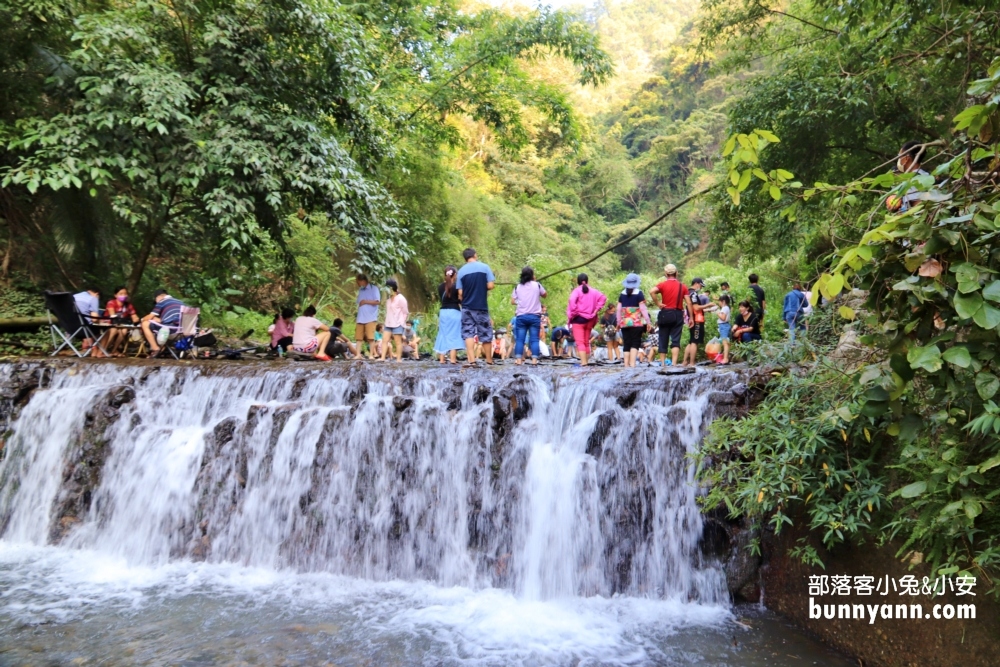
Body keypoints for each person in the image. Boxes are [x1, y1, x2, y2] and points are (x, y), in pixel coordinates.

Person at [456, 248, 496, 367]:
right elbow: (491, 285)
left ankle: (472, 360)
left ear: (465, 258)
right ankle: (489, 360)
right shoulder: (485, 267)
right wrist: (481, 288)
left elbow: (460, 293)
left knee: (468, 332)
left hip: (466, 307)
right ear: (475, 255)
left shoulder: (461, 271)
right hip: (481, 306)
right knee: (485, 333)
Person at [649, 263, 691, 367]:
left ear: (666, 274)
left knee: (663, 338)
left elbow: (652, 291)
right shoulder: (683, 287)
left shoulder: (662, 285)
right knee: (675, 339)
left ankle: (663, 364)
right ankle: (674, 363)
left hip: (665, 314)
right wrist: (691, 318)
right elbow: (689, 303)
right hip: (677, 314)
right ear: (676, 273)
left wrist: (658, 303)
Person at [566, 273, 607, 366]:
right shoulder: (594, 291)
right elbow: (603, 298)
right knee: (586, 341)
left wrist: (574, 311)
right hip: (590, 319)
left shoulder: (576, 291)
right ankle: (587, 362)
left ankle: (583, 363)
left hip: (578, 319)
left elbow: (572, 301)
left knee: (580, 342)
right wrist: (596, 310)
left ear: (578, 282)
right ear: (587, 281)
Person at [511, 265, 547, 366]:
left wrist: (521, 302)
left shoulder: (517, 286)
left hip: (521, 316)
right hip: (534, 316)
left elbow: (513, 301)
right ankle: (534, 361)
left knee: (520, 339)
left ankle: (518, 360)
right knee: (534, 339)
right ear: (532, 275)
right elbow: (545, 295)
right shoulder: (537, 285)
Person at [616, 273, 651, 368]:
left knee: (627, 343)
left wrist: (618, 322)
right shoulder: (639, 293)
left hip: (624, 323)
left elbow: (618, 309)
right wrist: (648, 322)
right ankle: (633, 364)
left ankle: (626, 365)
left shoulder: (622, 294)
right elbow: (643, 309)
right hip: (636, 323)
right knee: (635, 342)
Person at [887, 140, 931, 213]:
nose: (899, 159)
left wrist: (900, 216)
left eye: (900, 156)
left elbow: (919, 206)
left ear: (906, 159)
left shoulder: (913, 179)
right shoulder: (925, 175)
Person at [141, 289, 185, 357]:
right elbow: (168, 318)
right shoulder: (180, 302)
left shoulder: (162, 301)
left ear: (158, 297)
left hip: (170, 330)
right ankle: (162, 349)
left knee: (145, 324)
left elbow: (149, 317)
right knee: (160, 325)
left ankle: (155, 348)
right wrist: (158, 319)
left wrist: (142, 319)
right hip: (183, 331)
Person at [434, 266, 464, 364]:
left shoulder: (440, 287)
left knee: (443, 334)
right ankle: (452, 359)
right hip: (454, 312)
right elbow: (461, 300)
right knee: (454, 335)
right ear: (454, 275)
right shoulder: (456, 287)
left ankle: (442, 359)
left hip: (443, 313)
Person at [683, 277, 713, 367]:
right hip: (697, 320)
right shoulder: (693, 294)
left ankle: (684, 362)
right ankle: (692, 363)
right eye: (700, 285)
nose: (701, 287)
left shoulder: (688, 292)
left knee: (691, 341)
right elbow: (695, 307)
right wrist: (708, 305)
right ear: (696, 283)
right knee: (694, 342)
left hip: (692, 319)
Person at [102, 286, 139, 357]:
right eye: (121, 294)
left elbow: (134, 315)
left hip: (121, 325)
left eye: (125, 294)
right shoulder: (111, 303)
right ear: (115, 295)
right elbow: (112, 315)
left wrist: (135, 318)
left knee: (124, 330)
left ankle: (114, 350)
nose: (123, 296)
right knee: (114, 330)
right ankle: (104, 350)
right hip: (109, 324)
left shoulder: (128, 305)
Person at [354, 273, 381, 359]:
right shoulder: (361, 290)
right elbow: (359, 302)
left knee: (370, 337)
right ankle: (358, 354)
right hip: (361, 317)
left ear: (362, 281)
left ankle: (371, 355)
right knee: (359, 337)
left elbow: (377, 302)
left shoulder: (374, 289)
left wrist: (366, 301)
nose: (357, 283)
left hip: (370, 317)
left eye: (358, 281)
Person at [381, 278, 408, 362]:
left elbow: (405, 312)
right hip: (388, 323)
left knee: (397, 342)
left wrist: (401, 322)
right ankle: (382, 358)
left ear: (392, 288)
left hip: (398, 323)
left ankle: (398, 359)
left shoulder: (400, 298)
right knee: (384, 340)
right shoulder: (388, 299)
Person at [72, 287, 103, 355]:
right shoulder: (93, 298)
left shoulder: (73, 297)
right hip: (85, 329)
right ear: (97, 294)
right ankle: (98, 353)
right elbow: (94, 319)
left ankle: (90, 349)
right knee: (106, 331)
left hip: (70, 329)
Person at [716, 294, 732, 364]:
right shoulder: (727, 308)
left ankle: (725, 359)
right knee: (726, 342)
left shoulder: (724, 308)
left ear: (723, 301)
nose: (719, 303)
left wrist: (718, 313)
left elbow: (723, 318)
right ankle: (725, 357)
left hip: (723, 326)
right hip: (725, 325)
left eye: (719, 301)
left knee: (725, 342)